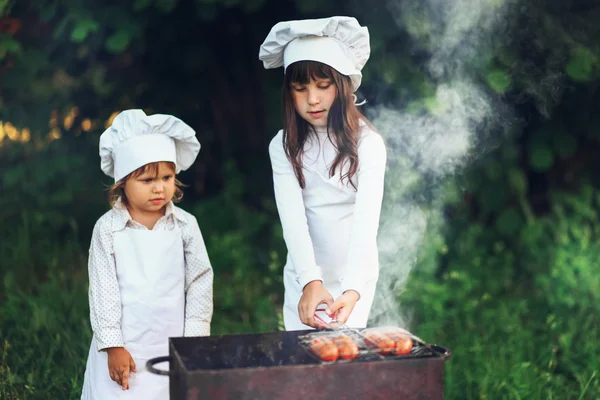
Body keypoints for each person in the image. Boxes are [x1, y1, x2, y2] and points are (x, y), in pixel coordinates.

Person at [258, 16, 387, 330]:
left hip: (353, 276)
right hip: (304, 273)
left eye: (322, 86)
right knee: (303, 364)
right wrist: (310, 281)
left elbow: (365, 225)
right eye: (300, 89)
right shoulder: (284, 146)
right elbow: (293, 219)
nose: (312, 99)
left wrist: (353, 287)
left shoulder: (368, 144)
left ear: (342, 85)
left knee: (344, 363)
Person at [80, 109, 213, 399]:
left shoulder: (185, 225)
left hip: (172, 341)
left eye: (167, 177)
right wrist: (113, 345)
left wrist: (193, 341)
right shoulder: (108, 230)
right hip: (126, 345)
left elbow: (200, 281)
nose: (159, 188)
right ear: (122, 182)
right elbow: (103, 290)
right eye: (146, 180)